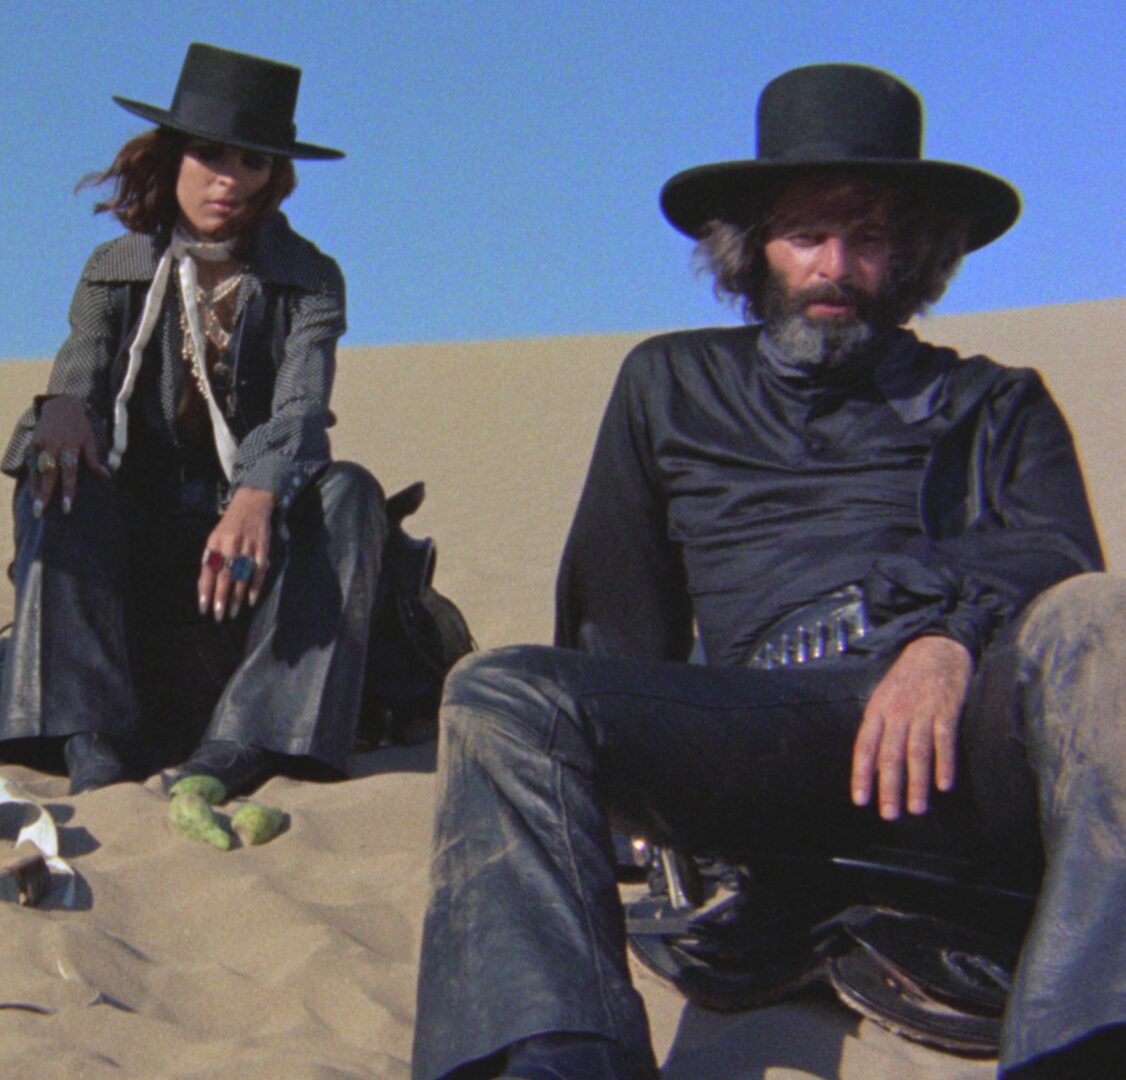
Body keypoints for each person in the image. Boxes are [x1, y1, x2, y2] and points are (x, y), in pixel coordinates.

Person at [410, 64, 1120, 1079]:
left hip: (961, 731)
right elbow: (620, 615)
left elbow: (1055, 559)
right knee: (500, 692)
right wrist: (622, 818)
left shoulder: (994, 402)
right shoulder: (670, 381)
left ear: (911, 254)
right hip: (765, 730)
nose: (835, 264)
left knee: (1105, 616)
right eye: (805, 233)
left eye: (868, 236)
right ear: (751, 248)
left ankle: (1090, 1046)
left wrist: (942, 642)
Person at [0, 43, 385, 796]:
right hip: (133, 541)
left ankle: (247, 740)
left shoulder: (309, 281)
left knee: (351, 492)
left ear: (277, 177)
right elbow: (85, 354)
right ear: (172, 157)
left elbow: (303, 409)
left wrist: (257, 493)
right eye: (210, 155)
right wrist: (64, 407)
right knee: (54, 470)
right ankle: (90, 740)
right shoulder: (116, 265)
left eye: (254, 162)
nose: (230, 180)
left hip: (245, 553)